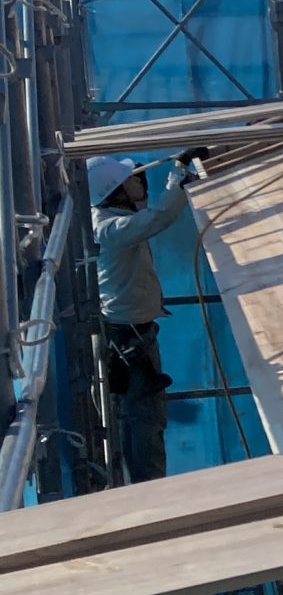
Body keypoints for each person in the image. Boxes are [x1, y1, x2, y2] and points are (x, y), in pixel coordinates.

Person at [88, 149, 204, 484]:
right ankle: (149, 490)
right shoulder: (111, 228)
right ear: (115, 191)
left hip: (130, 331)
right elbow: (156, 219)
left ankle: (144, 485)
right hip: (130, 335)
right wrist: (179, 175)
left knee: (138, 417)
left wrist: (178, 176)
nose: (140, 181)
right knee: (145, 418)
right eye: (132, 180)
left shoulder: (109, 217)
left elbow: (151, 213)